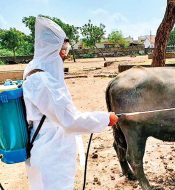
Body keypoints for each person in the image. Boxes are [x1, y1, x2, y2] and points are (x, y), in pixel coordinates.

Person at [22, 16, 118, 190]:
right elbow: (70, 120)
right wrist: (105, 118)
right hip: (52, 158)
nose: (64, 54)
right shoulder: (43, 81)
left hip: (45, 150)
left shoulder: (32, 70)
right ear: (52, 49)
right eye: (63, 49)